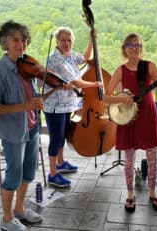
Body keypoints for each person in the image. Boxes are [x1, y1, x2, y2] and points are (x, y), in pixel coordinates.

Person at [0, 20, 59, 231]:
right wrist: (25, 105)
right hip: (13, 133)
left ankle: (19, 209)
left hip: (33, 128)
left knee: (28, 173)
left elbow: (35, 99)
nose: (21, 44)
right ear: (5, 42)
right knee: (13, 175)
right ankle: (6, 219)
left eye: (24, 40)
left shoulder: (27, 68)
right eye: (16, 40)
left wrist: (58, 88)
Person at [104, 33, 157, 212]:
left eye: (138, 45)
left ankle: (153, 192)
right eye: (130, 45)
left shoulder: (150, 66)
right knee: (129, 160)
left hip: (148, 117)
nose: (135, 48)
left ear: (141, 48)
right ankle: (130, 194)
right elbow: (106, 98)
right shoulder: (120, 70)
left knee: (152, 158)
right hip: (128, 119)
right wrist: (122, 99)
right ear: (124, 49)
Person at [44, 26, 103, 188]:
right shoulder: (56, 59)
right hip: (55, 106)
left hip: (66, 105)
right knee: (56, 138)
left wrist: (91, 40)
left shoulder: (69, 55)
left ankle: (61, 162)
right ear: (57, 41)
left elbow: (84, 57)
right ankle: (52, 173)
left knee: (62, 135)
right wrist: (95, 83)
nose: (67, 43)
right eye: (63, 40)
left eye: (69, 40)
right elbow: (75, 82)